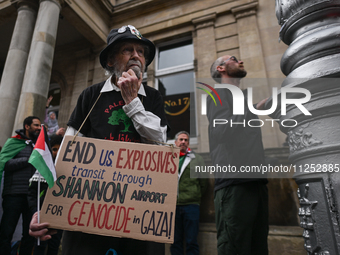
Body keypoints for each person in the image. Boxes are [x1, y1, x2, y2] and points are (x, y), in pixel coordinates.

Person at [29, 25, 168, 255]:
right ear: (111, 60)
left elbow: (161, 144)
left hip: (138, 209)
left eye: (141, 52)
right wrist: (51, 207)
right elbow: (69, 151)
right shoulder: (91, 96)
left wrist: (133, 101)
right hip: (91, 211)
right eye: (127, 50)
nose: (136, 55)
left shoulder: (152, 97)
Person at [207, 55, 269, 255]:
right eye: (233, 59)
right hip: (234, 186)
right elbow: (221, 132)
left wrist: (253, 109)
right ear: (221, 68)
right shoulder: (219, 95)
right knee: (234, 248)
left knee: (257, 248)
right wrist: (250, 109)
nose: (240, 60)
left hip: (254, 182)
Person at [0, 116, 41, 255]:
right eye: (36, 125)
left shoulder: (40, 146)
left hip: (32, 196)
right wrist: (28, 159)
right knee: (6, 232)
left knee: (29, 234)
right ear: (27, 126)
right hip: (14, 194)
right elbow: (5, 164)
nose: (39, 128)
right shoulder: (14, 142)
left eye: (40, 126)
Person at [170, 131, 207, 255]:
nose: (183, 142)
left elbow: (204, 182)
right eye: (180, 140)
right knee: (175, 241)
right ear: (175, 142)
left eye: (186, 140)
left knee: (192, 241)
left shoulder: (197, 159)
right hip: (173, 206)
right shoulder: (170, 159)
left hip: (191, 205)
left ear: (188, 143)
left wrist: (195, 195)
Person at [27, 134, 63, 255]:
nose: (57, 152)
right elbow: (32, 194)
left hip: (60, 217)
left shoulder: (69, 169)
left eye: (60, 149)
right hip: (42, 216)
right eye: (54, 149)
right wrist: (36, 212)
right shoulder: (43, 168)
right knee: (39, 246)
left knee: (54, 246)